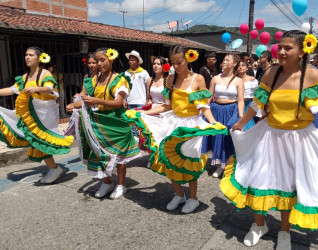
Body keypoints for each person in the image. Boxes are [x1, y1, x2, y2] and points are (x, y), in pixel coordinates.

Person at [220, 30, 318, 249]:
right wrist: (242, 122)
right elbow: (257, 104)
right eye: (279, 46)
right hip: (268, 135)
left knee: (289, 187)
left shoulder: (311, 76)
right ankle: (259, 225)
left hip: (298, 140)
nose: (281, 51)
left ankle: (284, 231)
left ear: (302, 51)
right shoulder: (271, 73)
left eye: (287, 48)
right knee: (256, 181)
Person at [125, 45, 227, 213]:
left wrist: (213, 122)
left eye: (179, 62)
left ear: (188, 59)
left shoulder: (198, 79)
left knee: (189, 161)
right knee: (170, 159)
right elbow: (168, 106)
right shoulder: (170, 79)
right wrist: (144, 112)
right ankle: (179, 194)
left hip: (190, 126)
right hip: (173, 123)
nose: (176, 66)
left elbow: (203, 107)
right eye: (173, 62)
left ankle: (193, 198)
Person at [66, 48, 140, 199]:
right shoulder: (94, 80)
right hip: (99, 122)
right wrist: (74, 105)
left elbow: (118, 103)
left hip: (116, 121)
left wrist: (96, 101)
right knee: (97, 152)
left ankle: (121, 185)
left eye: (102, 60)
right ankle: (106, 182)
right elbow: (87, 100)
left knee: (119, 155)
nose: (99, 64)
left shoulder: (120, 79)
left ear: (111, 60)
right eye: (97, 61)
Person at [0, 46, 74, 183]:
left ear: (39, 59)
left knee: (41, 138)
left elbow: (49, 88)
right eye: (26, 55)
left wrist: (35, 89)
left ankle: (54, 168)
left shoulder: (45, 73)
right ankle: (53, 168)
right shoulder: (25, 77)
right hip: (33, 111)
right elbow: (11, 90)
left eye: (31, 55)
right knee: (36, 139)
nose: (27, 57)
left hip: (46, 111)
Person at [202, 54, 244, 178]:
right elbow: (210, 95)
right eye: (224, 60)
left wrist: (240, 116)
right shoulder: (215, 78)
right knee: (215, 137)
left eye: (227, 60)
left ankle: (224, 165)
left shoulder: (239, 81)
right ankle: (218, 163)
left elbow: (240, 100)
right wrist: (203, 109)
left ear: (235, 63)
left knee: (226, 138)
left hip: (231, 111)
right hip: (215, 109)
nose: (224, 61)